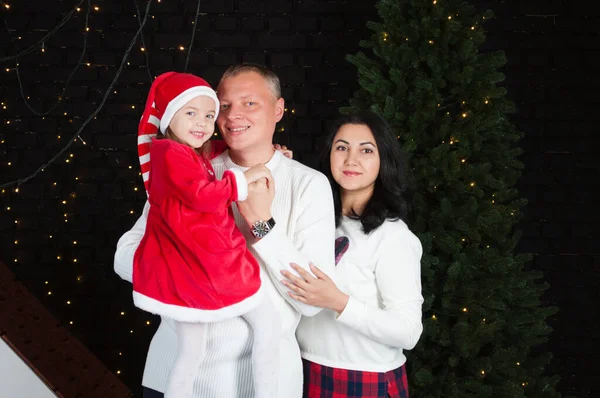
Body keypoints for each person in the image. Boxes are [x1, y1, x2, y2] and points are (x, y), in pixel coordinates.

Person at [114, 63, 336, 398]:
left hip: (258, 386)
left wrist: (262, 223)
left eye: (249, 103)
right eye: (225, 106)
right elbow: (123, 257)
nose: (233, 117)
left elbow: (311, 302)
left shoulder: (308, 184)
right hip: (171, 375)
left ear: (278, 110)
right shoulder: (189, 166)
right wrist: (193, 268)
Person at [132, 71, 281, 398]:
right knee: (266, 326)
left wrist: (272, 153)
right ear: (170, 117)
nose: (202, 122)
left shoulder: (180, 152)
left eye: (210, 115)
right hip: (207, 267)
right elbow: (202, 194)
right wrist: (246, 178)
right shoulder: (169, 154)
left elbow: (208, 150)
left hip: (196, 271)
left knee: (191, 354)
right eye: (191, 113)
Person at [280, 110, 424, 398]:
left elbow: (409, 332)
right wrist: (283, 176)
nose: (351, 160)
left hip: (364, 379)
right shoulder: (313, 219)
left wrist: (338, 302)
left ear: (384, 160)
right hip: (301, 369)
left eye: (366, 150)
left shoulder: (393, 237)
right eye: (342, 147)